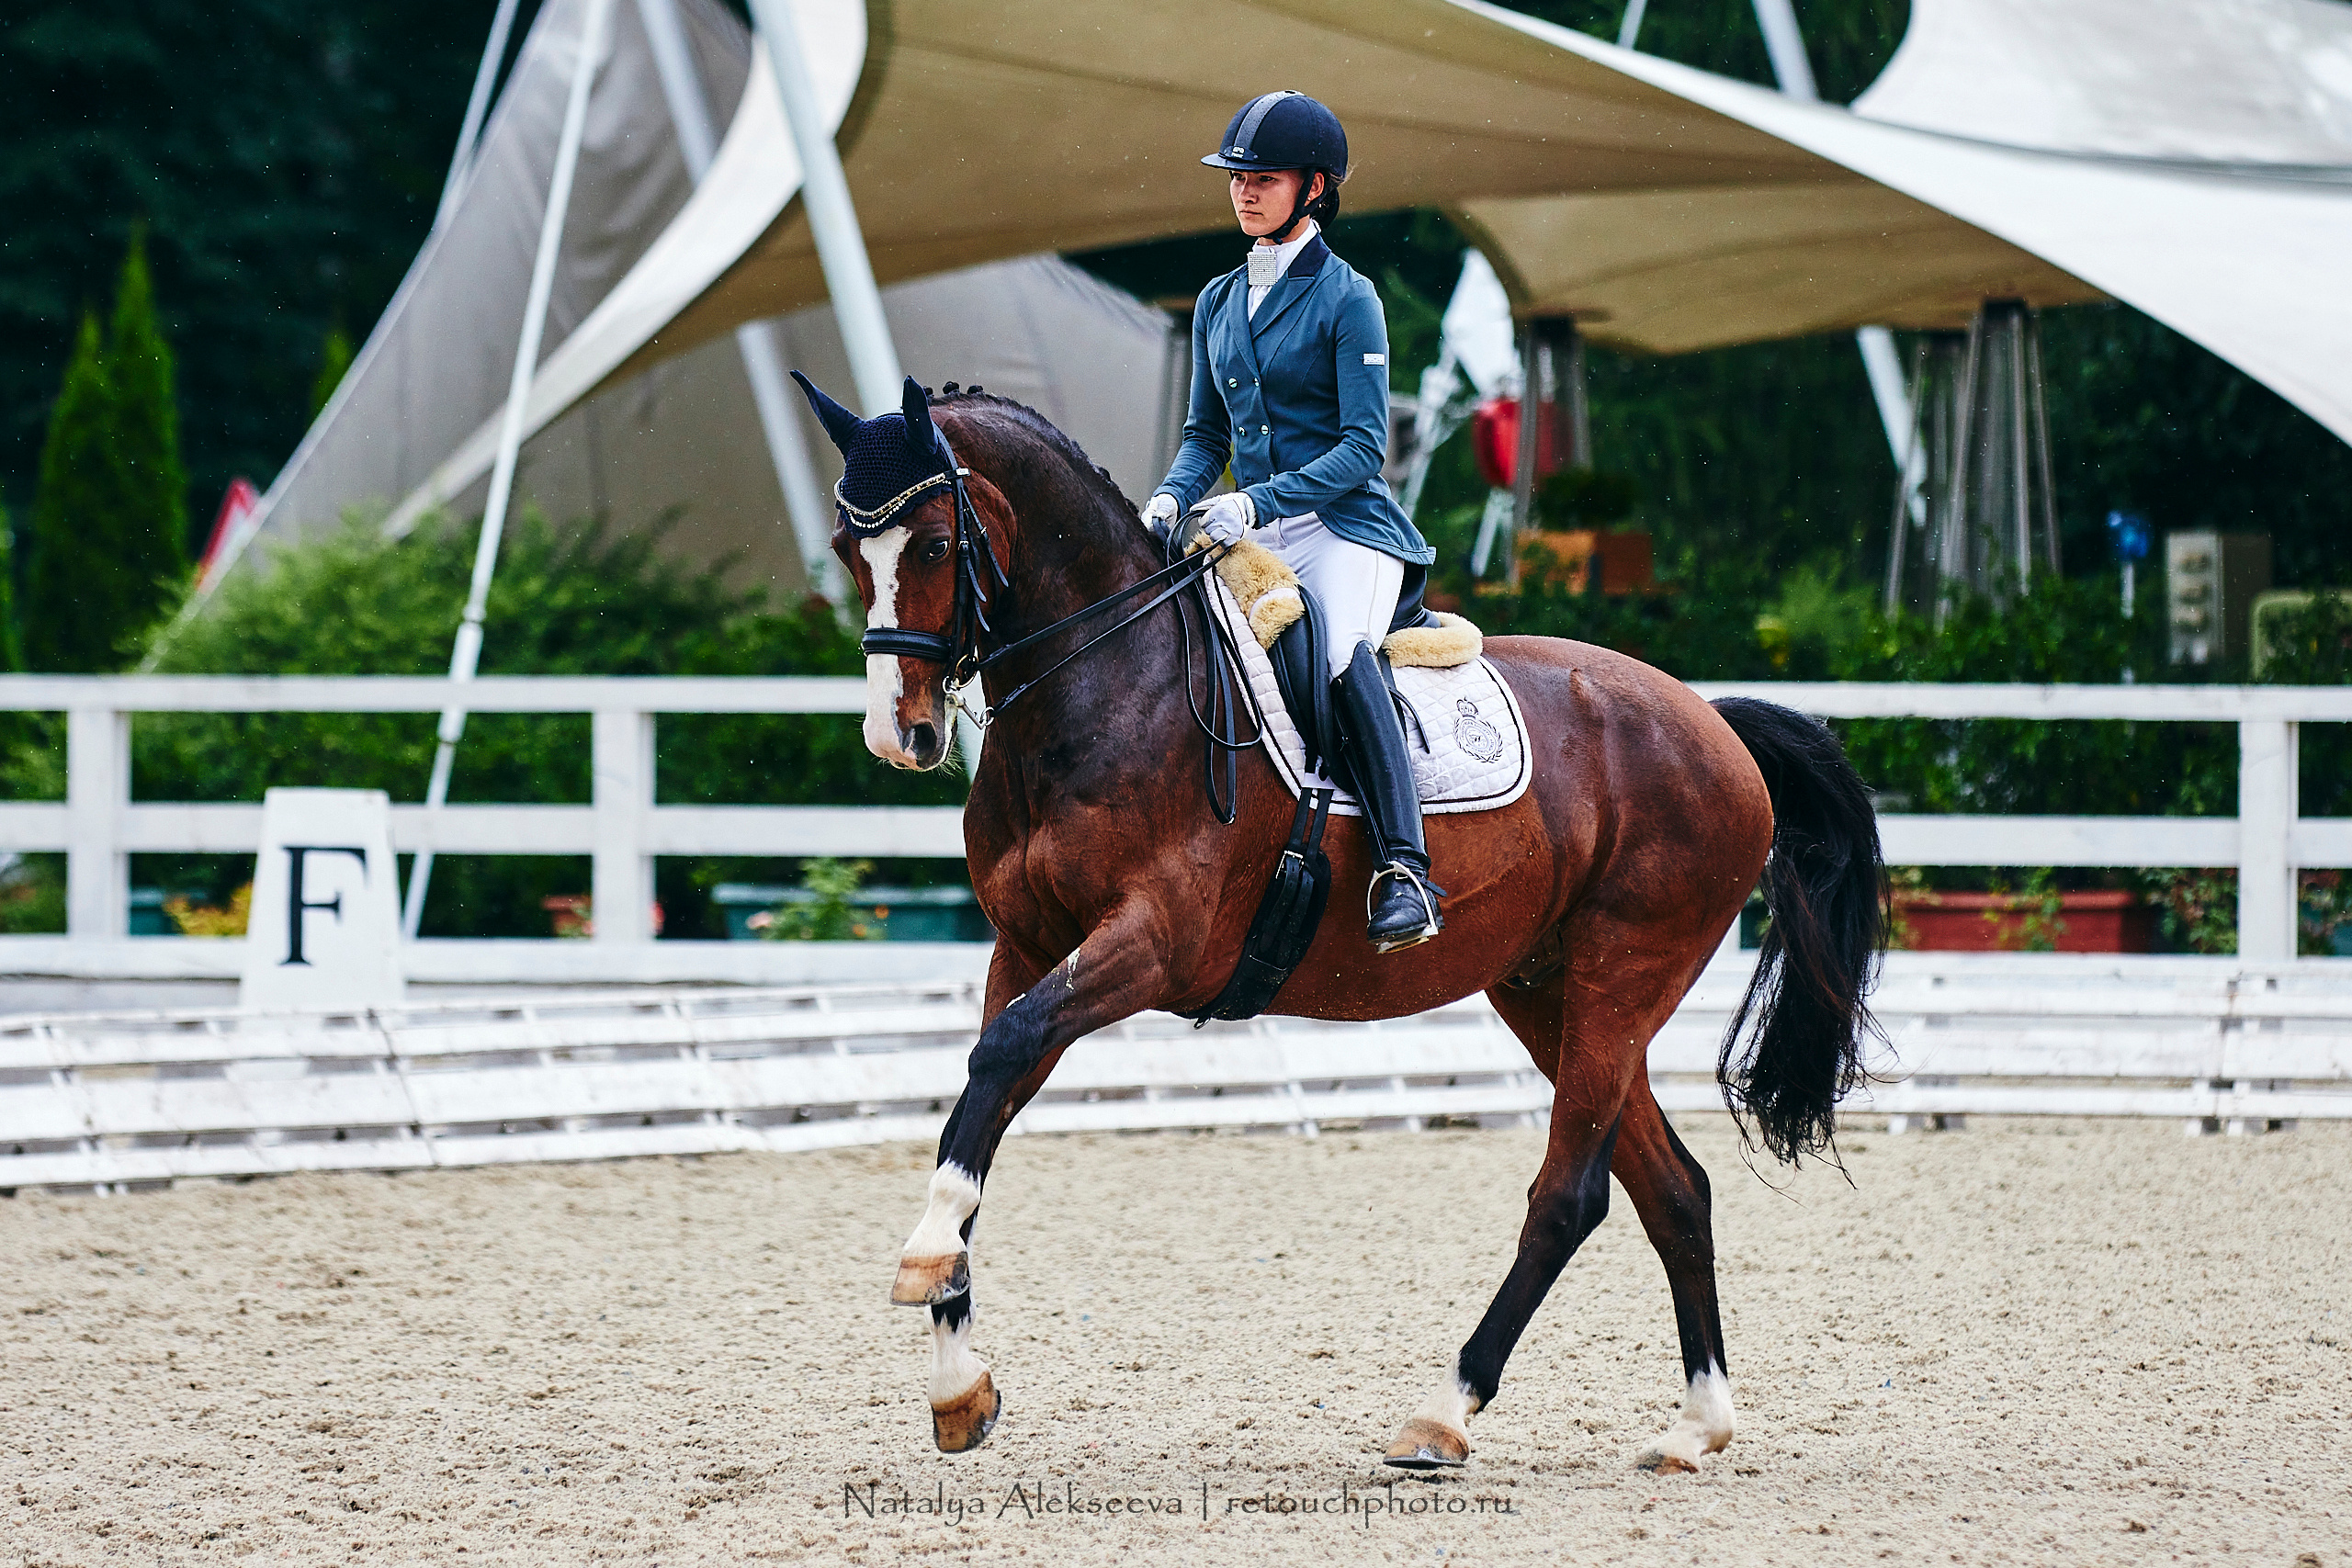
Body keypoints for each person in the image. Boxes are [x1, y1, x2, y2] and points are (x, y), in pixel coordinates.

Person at [1144, 91, 1444, 954]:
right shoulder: (1216, 300)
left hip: (1346, 530)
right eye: (1237, 178)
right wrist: (1169, 498)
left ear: (1314, 188)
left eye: (1264, 179)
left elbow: (1364, 448)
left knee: (1343, 655)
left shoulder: (1350, 298)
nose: (1244, 191)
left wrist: (1255, 501)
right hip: (1254, 533)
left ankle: (1405, 868)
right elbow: (1206, 437)